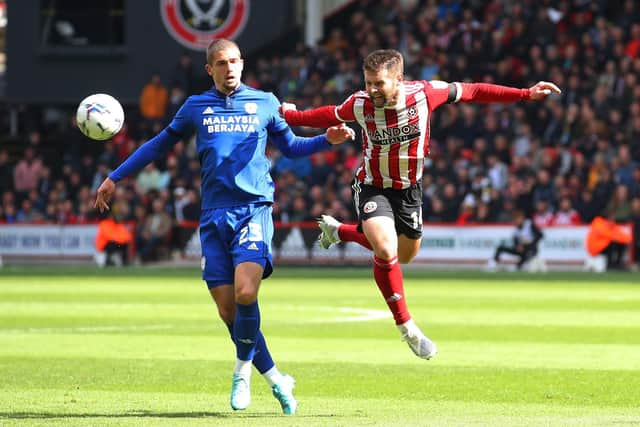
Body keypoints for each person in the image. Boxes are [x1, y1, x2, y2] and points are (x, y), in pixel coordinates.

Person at [95, 39, 354, 414]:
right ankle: (277, 379)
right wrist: (115, 176)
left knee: (247, 292)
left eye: (234, 61)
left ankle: (242, 371)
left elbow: (293, 147)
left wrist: (325, 140)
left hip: (253, 210)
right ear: (209, 69)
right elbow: (157, 146)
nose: (229, 67)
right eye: (221, 62)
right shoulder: (195, 107)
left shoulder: (265, 102)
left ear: (242, 63)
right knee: (228, 311)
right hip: (214, 215)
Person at [280, 49, 561, 360]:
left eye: (379, 84)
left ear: (399, 80)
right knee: (385, 250)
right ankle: (408, 328)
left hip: (409, 190)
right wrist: (291, 115)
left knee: (405, 256)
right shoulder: (359, 104)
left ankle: (342, 233)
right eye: (368, 82)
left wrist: (524, 93)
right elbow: (325, 114)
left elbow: (473, 91)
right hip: (373, 185)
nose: (372, 90)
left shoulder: (426, 94)